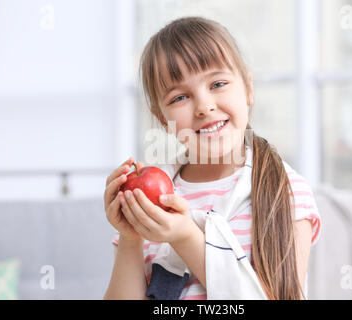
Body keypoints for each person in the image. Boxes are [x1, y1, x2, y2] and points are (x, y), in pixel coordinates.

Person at [103, 16, 321, 300]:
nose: (204, 106)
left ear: (248, 89)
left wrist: (185, 237)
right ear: (161, 119)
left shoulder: (286, 190)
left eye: (217, 84)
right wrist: (131, 237)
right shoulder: (150, 204)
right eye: (179, 98)